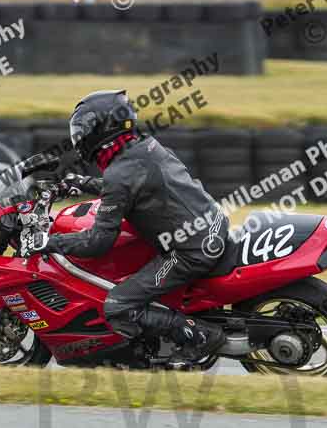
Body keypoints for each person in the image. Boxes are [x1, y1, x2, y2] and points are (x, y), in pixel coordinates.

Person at [28, 89, 227, 363]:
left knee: (118, 305)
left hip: (190, 252)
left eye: (84, 129)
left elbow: (98, 242)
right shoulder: (144, 147)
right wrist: (81, 183)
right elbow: (132, 188)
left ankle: (202, 336)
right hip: (210, 227)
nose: (80, 137)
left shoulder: (120, 173)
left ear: (102, 128)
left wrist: (49, 243)